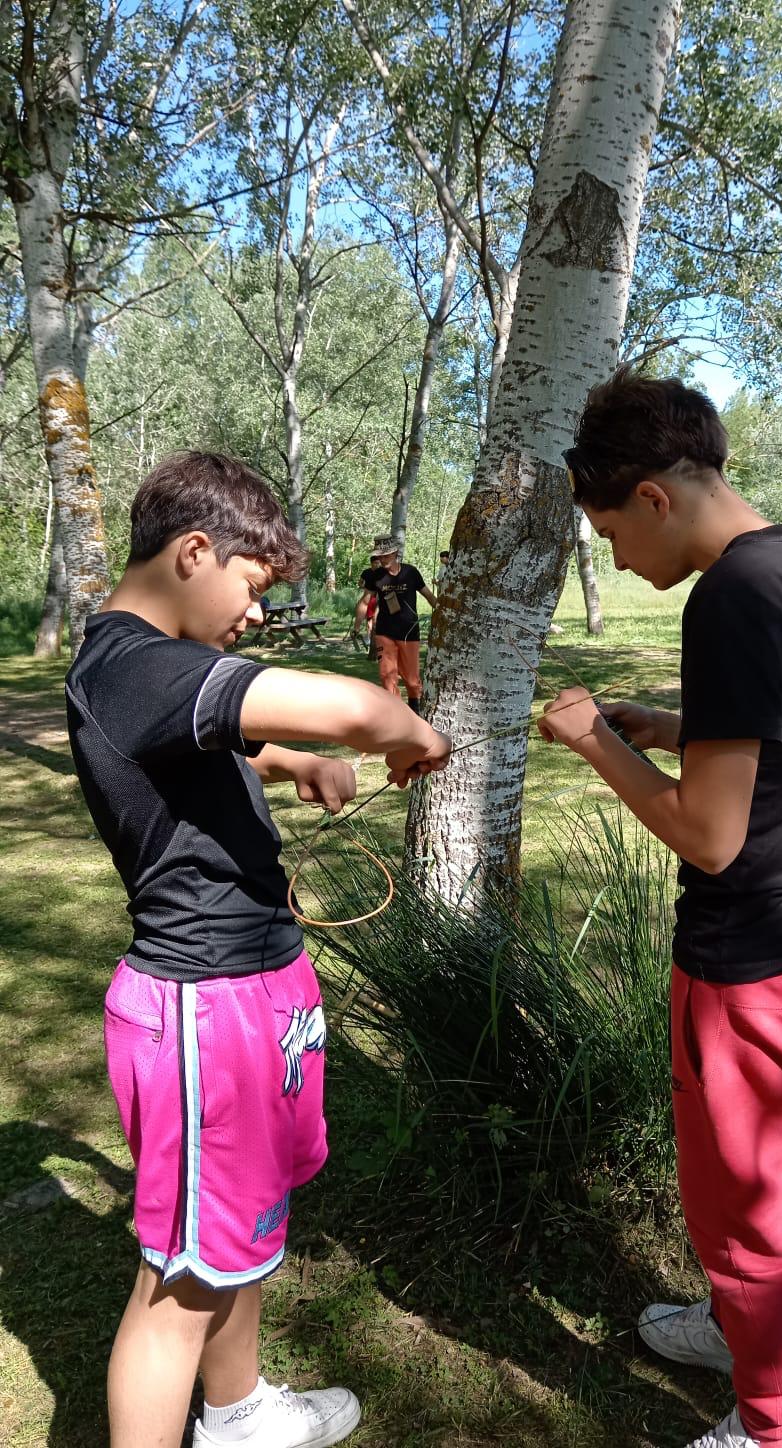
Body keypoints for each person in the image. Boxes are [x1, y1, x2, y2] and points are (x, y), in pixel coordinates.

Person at [65, 453, 451, 1448]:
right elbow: (357, 706)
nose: (254, 612)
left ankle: (237, 1413)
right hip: (203, 1008)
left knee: (240, 1227)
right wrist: (402, 730)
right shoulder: (132, 664)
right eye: (250, 585)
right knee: (180, 1283)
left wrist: (297, 762)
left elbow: (217, 740)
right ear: (194, 551)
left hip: (254, 988)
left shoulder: (157, 666)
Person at [540, 370, 782, 1448]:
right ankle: (739, 1328)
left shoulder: (728, 596)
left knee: (745, 1211)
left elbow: (710, 833)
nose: (617, 560)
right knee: (750, 1184)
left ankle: (773, 1429)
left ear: (653, 496)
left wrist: (599, 741)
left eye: (610, 535)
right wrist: (672, 726)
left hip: (751, 953)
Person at [359, 535, 437, 713]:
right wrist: (357, 625)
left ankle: (415, 712)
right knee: (387, 676)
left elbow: (429, 596)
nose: (382, 559)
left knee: (412, 680)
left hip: (409, 632)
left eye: (386, 555)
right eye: (379, 556)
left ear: (395, 553)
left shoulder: (411, 572)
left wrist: (442, 612)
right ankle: (396, 714)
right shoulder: (376, 576)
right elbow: (365, 601)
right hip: (384, 632)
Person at [350, 552, 380, 647]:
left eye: (378, 563)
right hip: (366, 597)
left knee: (370, 620)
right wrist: (363, 586)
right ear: (371, 563)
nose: (377, 565)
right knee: (359, 619)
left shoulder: (381, 572)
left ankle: (369, 638)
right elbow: (360, 582)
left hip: (374, 598)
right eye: (375, 563)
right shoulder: (366, 572)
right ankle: (355, 634)